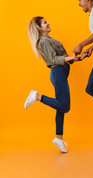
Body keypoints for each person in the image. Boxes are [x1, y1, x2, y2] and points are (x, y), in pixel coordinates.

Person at [24, 16, 86, 152]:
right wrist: (72, 58)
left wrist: (79, 57)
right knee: (65, 106)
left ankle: (59, 138)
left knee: (60, 107)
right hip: (58, 73)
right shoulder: (44, 41)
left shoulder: (49, 40)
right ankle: (37, 96)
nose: (48, 23)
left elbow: (64, 58)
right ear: (39, 28)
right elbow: (55, 59)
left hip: (61, 72)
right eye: (45, 23)